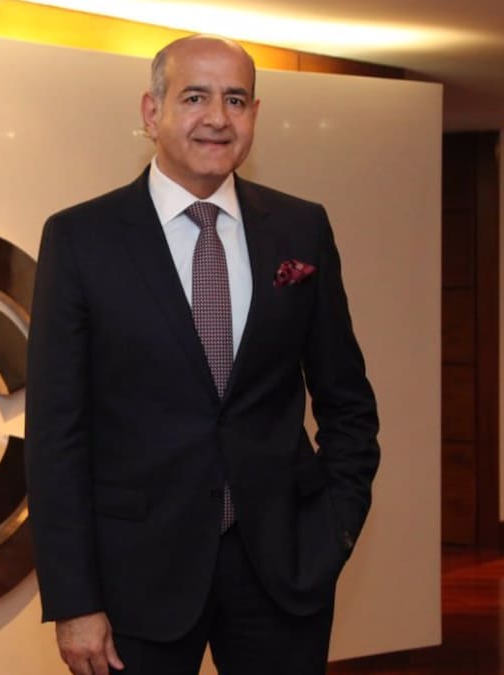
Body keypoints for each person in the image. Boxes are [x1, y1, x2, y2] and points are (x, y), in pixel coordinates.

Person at [24, 34, 380, 675]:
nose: (217, 117)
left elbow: (347, 401)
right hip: (134, 580)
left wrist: (333, 530)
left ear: (254, 115)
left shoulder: (301, 229)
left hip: (282, 573)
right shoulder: (80, 239)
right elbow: (56, 434)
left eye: (235, 100)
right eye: (195, 97)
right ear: (151, 112)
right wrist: (74, 599)